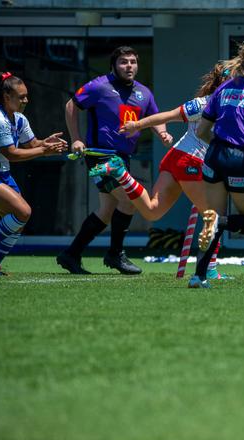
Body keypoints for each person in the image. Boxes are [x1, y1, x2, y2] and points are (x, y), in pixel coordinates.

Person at [91, 62, 230, 279]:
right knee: (214, 217)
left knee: (152, 211)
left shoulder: (212, 103)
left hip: (176, 157)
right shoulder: (207, 103)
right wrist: (137, 125)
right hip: (189, 161)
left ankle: (121, 173)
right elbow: (168, 115)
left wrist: (138, 125)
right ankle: (209, 271)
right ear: (224, 83)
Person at [57, 46, 172, 275]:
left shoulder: (143, 92)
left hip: (122, 158)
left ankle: (71, 254)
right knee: (129, 201)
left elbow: (155, 116)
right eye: (123, 62)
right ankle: (115, 254)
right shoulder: (99, 86)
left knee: (107, 210)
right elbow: (72, 105)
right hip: (100, 156)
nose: (129, 66)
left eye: (132, 62)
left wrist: (162, 132)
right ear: (113, 65)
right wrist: (77, 139)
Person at [190, 36, 244, 288]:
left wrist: (217, 148)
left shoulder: (223, 88)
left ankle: (198, 276)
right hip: (241, 159)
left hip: (214, 156)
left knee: (212, 218)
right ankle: (219, 223)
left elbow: (201, 131)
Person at [0, 72, 67, 275]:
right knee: (24, 212)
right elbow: (11, 154)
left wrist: (46, 143)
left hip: (1, 174)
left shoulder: (19, 119)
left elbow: (32, 144)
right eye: (21, 97)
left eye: (26, 96)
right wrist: (43, 151)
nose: (26, 100)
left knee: (17, 225)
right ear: (7, 97)